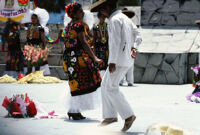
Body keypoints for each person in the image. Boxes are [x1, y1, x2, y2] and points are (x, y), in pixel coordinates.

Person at [90, 0, 139, 132]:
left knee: (111, 88)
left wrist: (112, 61)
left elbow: (115, 42)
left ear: (107, 8)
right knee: (105, 85)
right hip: (123, 59)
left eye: (102, 11)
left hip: (118, 60)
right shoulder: (124, 18)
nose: (101, 14)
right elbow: (137, 34)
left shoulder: (115, 20)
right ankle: (110, 116)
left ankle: (128, 115)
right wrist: (134, 47)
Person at [63, 1, 102, 120]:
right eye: (80, 11)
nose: (83, 13)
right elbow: (84, 43)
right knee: (82, 82)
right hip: (78, 57)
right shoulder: (79, 25)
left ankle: (73, 110)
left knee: (75, 84)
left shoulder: (68, 26)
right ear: (74, 14)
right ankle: (74, 110)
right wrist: (94, 57)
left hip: (69, 58)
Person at [24, 8, 50, 75]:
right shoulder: (29, 26)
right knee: (29, 61)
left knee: (37, 62)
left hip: (37, 46)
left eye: (34, 18)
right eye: (32, 18)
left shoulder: (40, 28)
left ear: (38, 19)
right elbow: (21, 23)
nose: (33, 20)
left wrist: (44, 45)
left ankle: (36, 74)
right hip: (29, 46)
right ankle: (29, 73)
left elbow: (43, 37)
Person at [120, 8, 142, 86]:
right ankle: (122, 80)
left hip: (130, 48)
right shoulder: (120, 24)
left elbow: (139, 36)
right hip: (121, 48)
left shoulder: (131, 24)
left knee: (129, 65)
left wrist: (134, 47)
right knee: (121, 64)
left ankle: (129, 81)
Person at [93, 12, 109, 77]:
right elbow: (94, 38)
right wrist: (94, 48)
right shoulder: (96, 26)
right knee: (100, 62)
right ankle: (100, 77)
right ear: (99, 17)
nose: (103, 18)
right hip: (99, 47)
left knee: (106, 61)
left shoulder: (108, 25)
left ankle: (105, 77)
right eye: (102, 17)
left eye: (104, 17)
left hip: (106, 46)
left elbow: (109, 37)